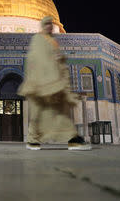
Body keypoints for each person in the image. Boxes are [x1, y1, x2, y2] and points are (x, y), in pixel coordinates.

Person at [18, 16, 91, 151]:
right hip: (41, 83)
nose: (49, 27)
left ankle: (72, 138)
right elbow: (35, 60)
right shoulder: (38, 40)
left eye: (51, 24)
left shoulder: (53, 42)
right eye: (47, 24)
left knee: (59, 111)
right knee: (39, 113)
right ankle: (33, 139)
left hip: (54, 83)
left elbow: (56, 61)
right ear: (42, 26)